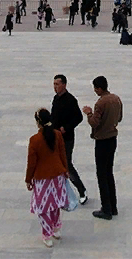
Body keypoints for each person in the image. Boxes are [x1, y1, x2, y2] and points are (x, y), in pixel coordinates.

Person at [26, 107, 69, 247]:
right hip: (58, 174)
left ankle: (47, 234)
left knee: (43, 207)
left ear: (38, 122)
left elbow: (32, 163)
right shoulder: (57, 134)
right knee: (55, 203)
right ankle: (56, 228)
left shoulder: (35, 140)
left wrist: (28, 179)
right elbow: (63, 154)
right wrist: (66, 170)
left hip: (42, 177)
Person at [82, 76, 122, 220]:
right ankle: (113, 206)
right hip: (113, 138)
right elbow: (120, 118)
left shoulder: (101, 103)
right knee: (109, 172)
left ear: (99, 88)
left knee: (101, 174)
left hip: (102, 141)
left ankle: (106, 209)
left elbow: (94, 123)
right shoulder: (116, 99)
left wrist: (88, 113)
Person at [50, 75, 88, 205]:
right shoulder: (56, 99)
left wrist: (66, 127)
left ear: (64, 85)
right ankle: (59, 192)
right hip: (55, 137)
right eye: (54, 84)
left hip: (66, 139)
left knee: (67, 165)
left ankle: (82, 190)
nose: (55, 87)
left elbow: (78, 117)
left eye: (57, 84)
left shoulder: (71, 100)